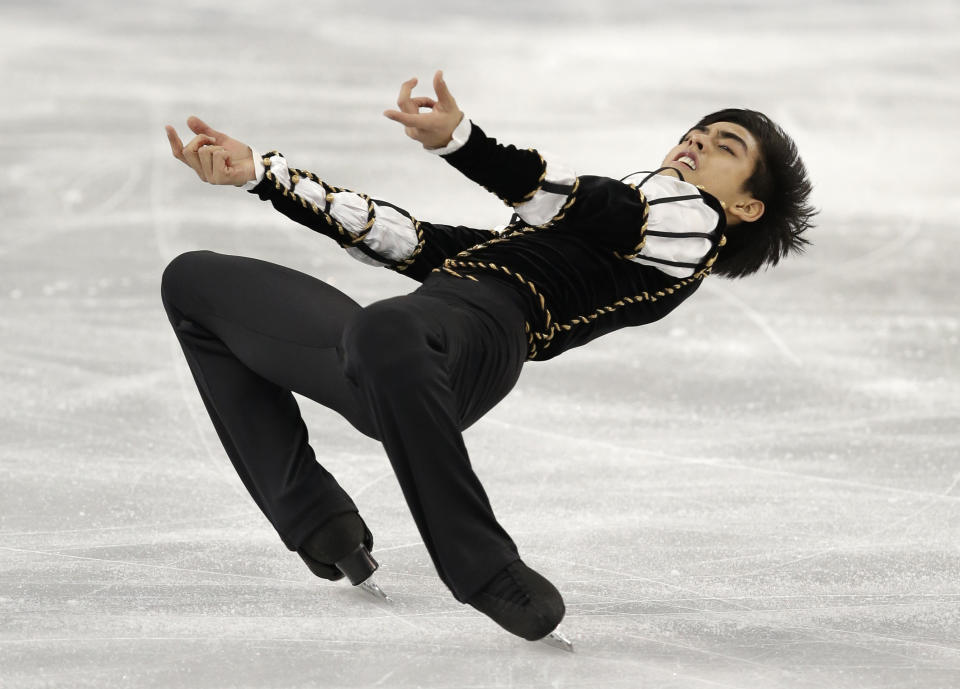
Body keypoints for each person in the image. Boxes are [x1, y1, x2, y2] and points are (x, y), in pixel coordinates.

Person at [160, 70, 815, 649]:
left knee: (385, 327)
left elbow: (583, 201)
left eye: (725, 146)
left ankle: (483, 567)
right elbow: (408, 239)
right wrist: (261, 173)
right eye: (697, 132)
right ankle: (318, 523)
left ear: (746, 207)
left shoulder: (688, 231)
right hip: (401, 347)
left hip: (481, 338)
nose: (698, 141)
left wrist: (462, 142)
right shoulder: (569, 227)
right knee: (194, 281)